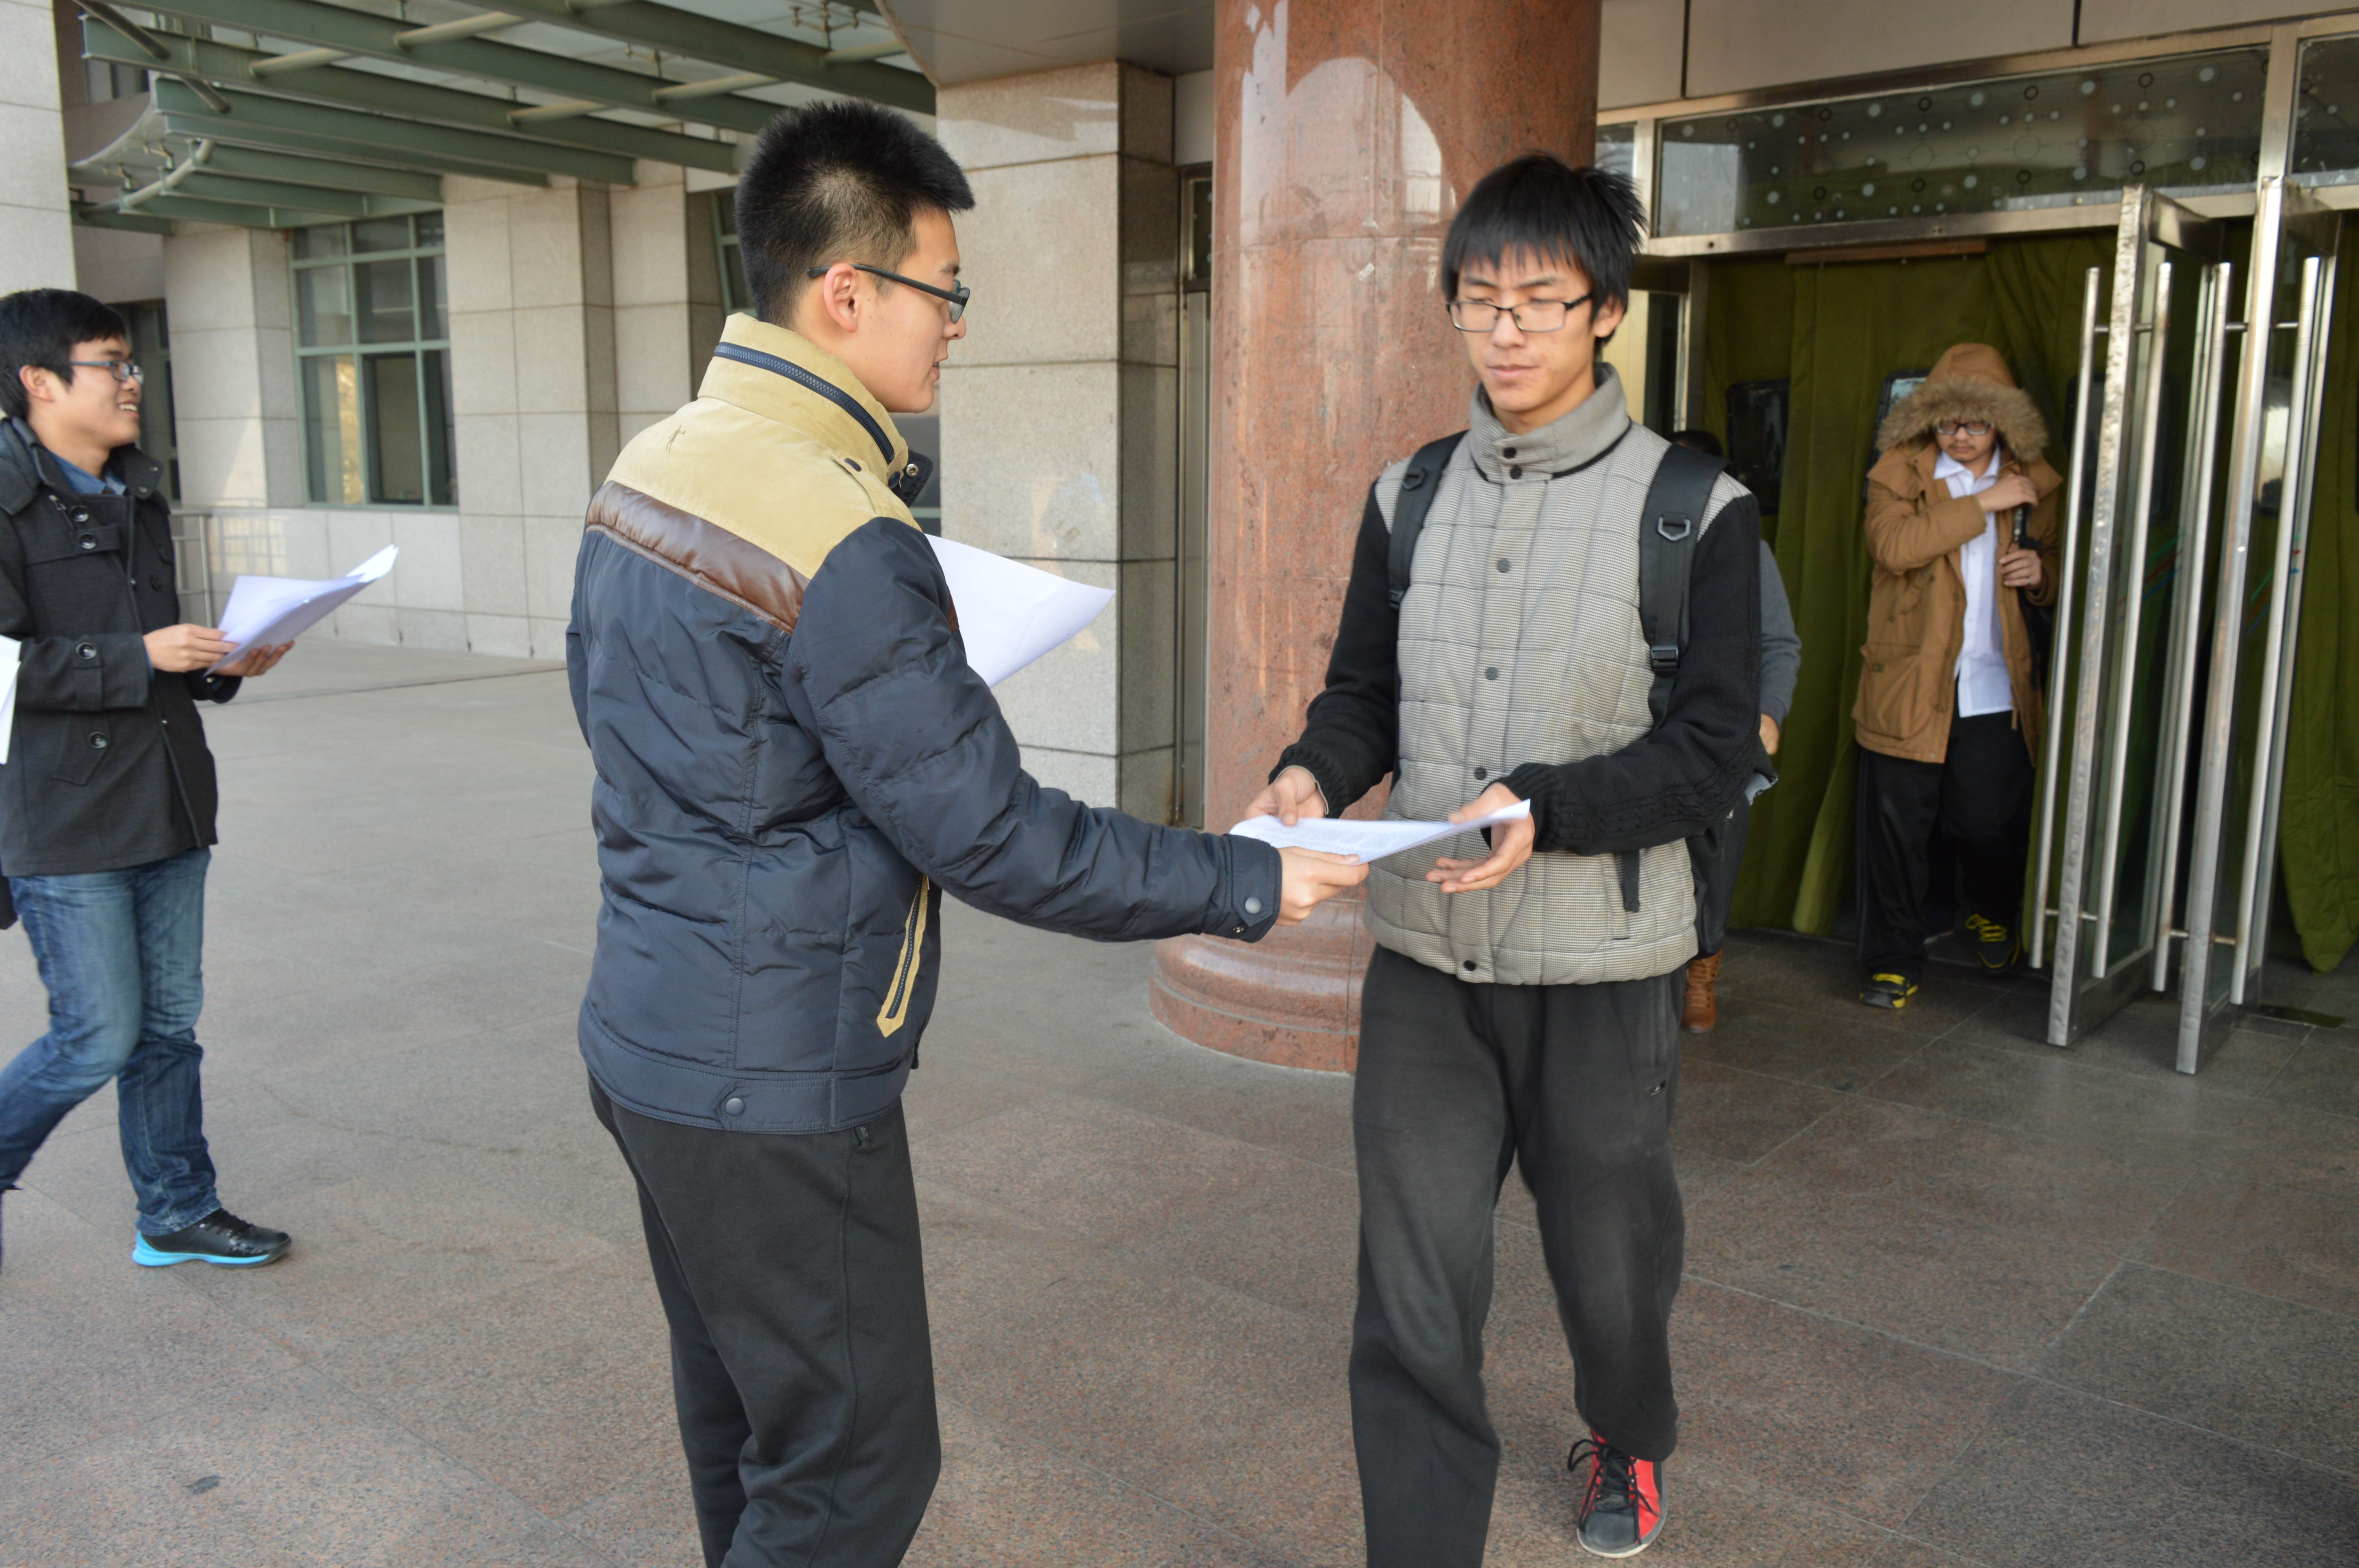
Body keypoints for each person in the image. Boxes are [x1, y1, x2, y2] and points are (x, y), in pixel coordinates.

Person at [565, 102, 1366, 1568]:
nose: (956, 325)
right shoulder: (840, 533)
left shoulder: (654, 462)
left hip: (649, 1037)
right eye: (943, 290)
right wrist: (1245, 879)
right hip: (773, 1072)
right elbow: (996, 838)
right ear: (844, 291)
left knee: (748, 1425)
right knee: (855, 1469)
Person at [1250, 156, 1762, 1562]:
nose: (1507, 328)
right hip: (1426, 960)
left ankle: (1628, 1434)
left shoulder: (1694, 510)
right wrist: (1312, 769)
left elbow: (1714, 749)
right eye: (1480, 298)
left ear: (1607, 310)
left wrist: (1549, 804)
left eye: (1541, 298)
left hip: (1602, 966)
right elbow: (1363, 692)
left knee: (1609, 1265)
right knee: (1411, 1282)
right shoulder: (1409, 494)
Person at [0, 289, 293, 1275]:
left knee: (167, 1029)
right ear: (40, 381)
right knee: (95, 1034)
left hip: (167, 795)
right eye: (112, 363)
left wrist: (223, 662)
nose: (133, 381)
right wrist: (140, 654)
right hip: (62, 814)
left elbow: (160, 653)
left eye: (131, 363)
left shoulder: (134, 487)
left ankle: (176, 1208)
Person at [1854, 343, 2059, 1009]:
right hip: (1908, 685)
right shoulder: (1898, 472)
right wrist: (1985, 502)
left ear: (2005, 422)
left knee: (1988, 824)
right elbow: (1894, 547)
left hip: (1996, 687)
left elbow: (2064, 570)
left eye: (1977, 422)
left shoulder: (2036, 483)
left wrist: (2042, 576)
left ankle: (1993, 912)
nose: (1961, 436)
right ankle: (1893, 961)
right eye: (1947, 422)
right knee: (1898, 834)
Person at [1665, 428, 1800, 1031]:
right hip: (1642, 723)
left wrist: (1768, 715)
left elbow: (1779, 644)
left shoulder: (1746, 548)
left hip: (1720, 730)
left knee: (1714, 856)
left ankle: (1703, 969)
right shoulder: (1624, 540)